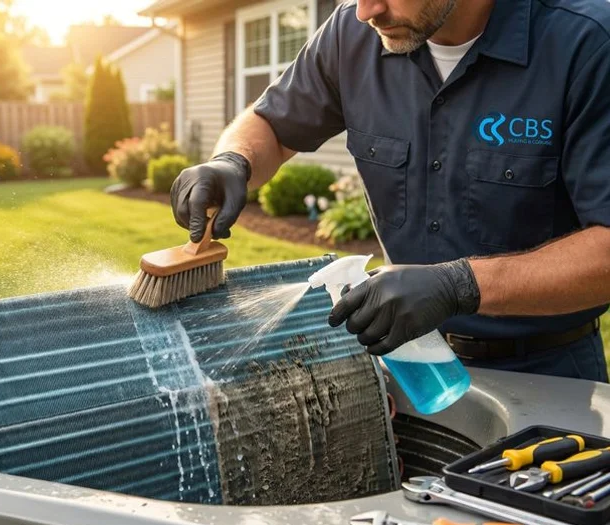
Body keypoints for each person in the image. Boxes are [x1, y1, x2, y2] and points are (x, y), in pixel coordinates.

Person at [169, 0, 610, 383]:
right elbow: (272, 124)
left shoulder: (585, 43)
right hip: (406, 363)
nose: (366, 12)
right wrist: (233, 161)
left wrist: (459, 285)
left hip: (549, 373)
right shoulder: (350, 33)